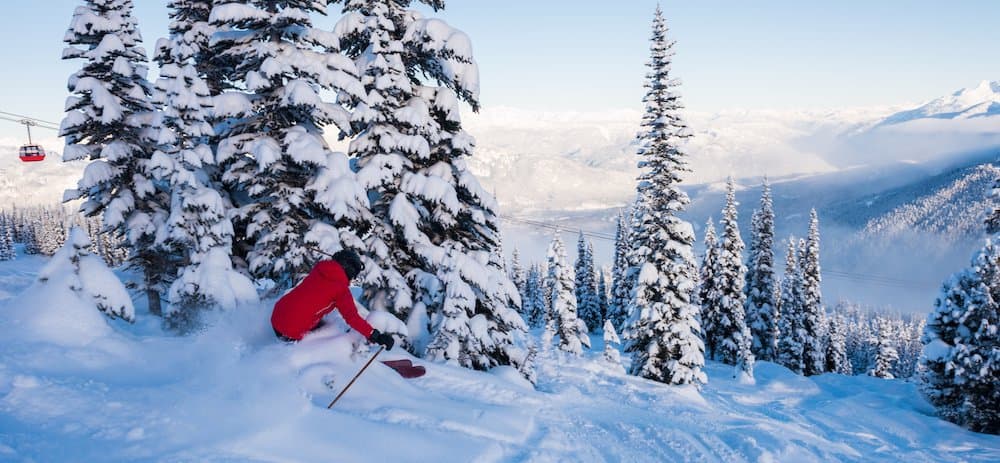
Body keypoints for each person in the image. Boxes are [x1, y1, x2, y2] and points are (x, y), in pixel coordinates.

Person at [271, 249, 395, 350]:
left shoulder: (318, 271)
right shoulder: (341, 290)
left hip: (277, 315)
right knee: (331, 329)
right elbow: (352, 318)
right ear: (349, 270)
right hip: (290, 331)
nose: (352, 279)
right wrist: (376, 336)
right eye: (353, 275)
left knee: (319, 318)